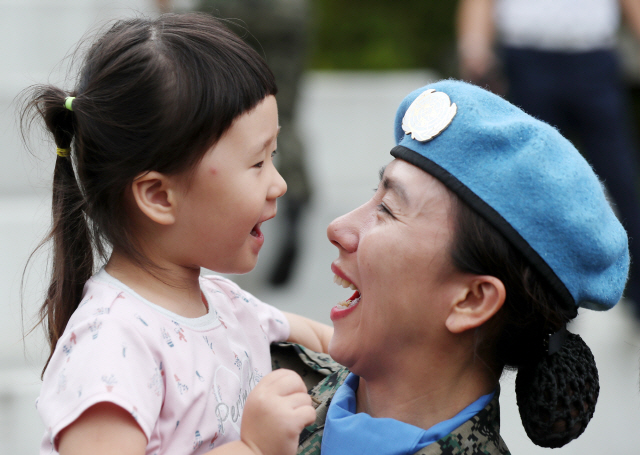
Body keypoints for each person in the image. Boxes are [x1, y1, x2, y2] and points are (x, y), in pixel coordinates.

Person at [20, 14, 332, 455]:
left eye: (274, 154)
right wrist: (253, 449)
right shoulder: (111, 344)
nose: (279, 183)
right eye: (258, 163)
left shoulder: (228, 305)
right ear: (159, 196)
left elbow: (335, 344)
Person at [292, 80, 629, 454]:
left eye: (387, 209)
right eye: (374, 197)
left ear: (472, 299)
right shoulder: (244, 376)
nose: (338, 229)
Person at [457, 0, 640, 314]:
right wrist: (474, 48)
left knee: (623, 181)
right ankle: (536, 301)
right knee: (528, 187)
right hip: (527, 63)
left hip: (594, 61)